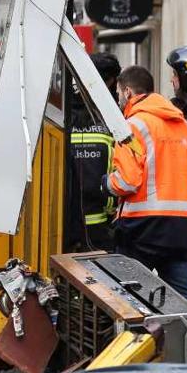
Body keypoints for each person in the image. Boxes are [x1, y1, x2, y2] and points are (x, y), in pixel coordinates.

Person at [106, 65, 187, 306]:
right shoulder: (186, 128)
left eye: (119, 93)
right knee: (185, 296)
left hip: (141, 225)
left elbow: (128, 181)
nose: (118, 98)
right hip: (182, 226)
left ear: (128, 92)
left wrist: (107, 183)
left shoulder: (131, 127)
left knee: (126, 296)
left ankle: (134, 341)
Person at [66, 52, 122, 251]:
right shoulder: (113, 118)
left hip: (67, 223)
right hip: (101, 224)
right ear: (110, 82)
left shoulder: (64, 112)